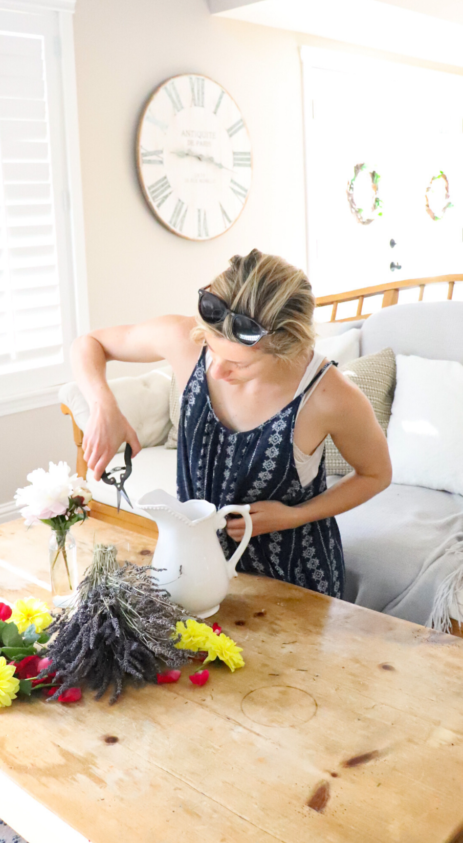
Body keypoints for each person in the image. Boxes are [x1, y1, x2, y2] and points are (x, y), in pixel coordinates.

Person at [71, 249, 392, 597]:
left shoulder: (329, 394)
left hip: (291, 578)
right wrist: (103, 405)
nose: (219, 371)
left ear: (286, 348)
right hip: (194, 563)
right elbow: (88, 344)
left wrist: (293, 515)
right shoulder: (183, 339)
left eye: (240, 364)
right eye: (212, 348)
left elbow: (376, 474)